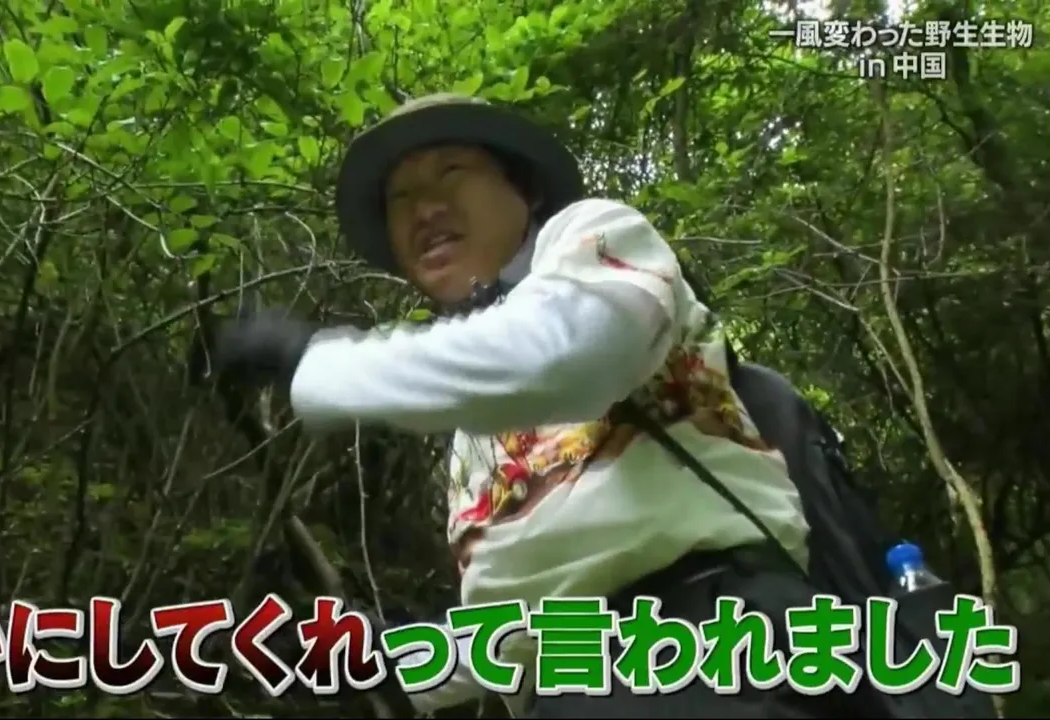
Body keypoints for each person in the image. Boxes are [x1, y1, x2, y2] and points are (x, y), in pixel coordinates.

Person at [212, 94, 871, 718]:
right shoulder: (476, 420)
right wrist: (369, 659)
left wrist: (314, 361)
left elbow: (570, 352)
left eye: (451, 173)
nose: (425, 209)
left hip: (713, 651)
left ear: (524, 189)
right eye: (400, 198)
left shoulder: (598, 241)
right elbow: (526, 630)